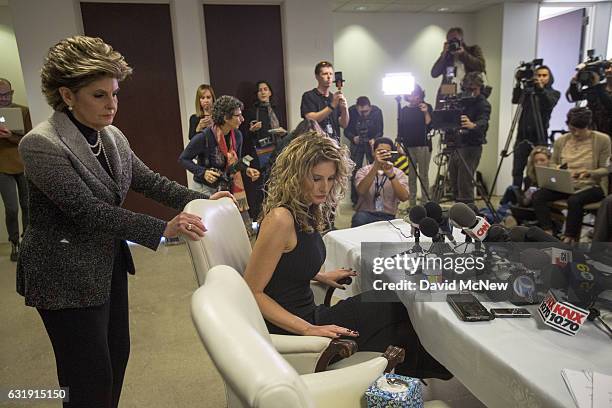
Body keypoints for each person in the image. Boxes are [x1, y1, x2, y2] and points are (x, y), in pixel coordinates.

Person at [17, 36, 233, 408]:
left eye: (115, 94)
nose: (112, 104)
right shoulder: (41, 144)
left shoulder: (112, 136)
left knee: (116, 360)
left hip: (106, 263)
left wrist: (200, 198)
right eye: (99, 95)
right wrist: (161, 228)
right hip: (63, 272)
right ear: (67, 96)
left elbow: (148, 181)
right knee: (86, 376)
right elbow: (85, 209)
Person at [243, 132, 450, 379]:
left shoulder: (306, 208)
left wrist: (319, 275)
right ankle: (427, 372)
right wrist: (309, 329)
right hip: (296, 328)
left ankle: (415, 375)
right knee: (398, 306)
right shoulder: (280, 218)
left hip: (310, 315)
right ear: (295, 177)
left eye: (331, 178)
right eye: (316, 178)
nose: (324, 187)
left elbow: (286, 262)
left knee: (400, 301)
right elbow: (252, 292)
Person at [532, 107, 610, 243]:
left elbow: (607, 168)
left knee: (575, 201)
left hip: (591, 186)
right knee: (538, 196)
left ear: (588, 126)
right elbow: (552, 163)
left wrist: (589, 173)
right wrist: (559, 170)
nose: (576, 133)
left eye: (580, 130)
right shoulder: (561, 141)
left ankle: (569, 238)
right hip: (566, 184)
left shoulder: (602, 140)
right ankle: (548, 231)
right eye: (572, 129)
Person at [179, 95, 260, 221]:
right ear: (225, 117)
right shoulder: (204, 137)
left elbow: (234, 163)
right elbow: (183, 159)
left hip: (225, 186)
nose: (242, 119)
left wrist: (246, 169)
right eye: (237, 116)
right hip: (204, 189)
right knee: (210, 227)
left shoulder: (237, 136)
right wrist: (203, 172)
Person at [511, 66, 560, 187]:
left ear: (550, 78)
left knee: (536, 170)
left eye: (544, 75)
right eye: (538, 75)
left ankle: (532, 195)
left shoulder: (553, 93)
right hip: (522, 135)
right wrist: (518, 84)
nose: (541, 78)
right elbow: (515, 100)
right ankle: (515, 195)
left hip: (539, 135)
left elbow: (548, 104)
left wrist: (540, 89)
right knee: (517, 170)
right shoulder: (527, 92)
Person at [243, 81, 286, 220]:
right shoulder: (251, 112)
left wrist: (283, 133)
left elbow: (285, 132)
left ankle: (276, 218)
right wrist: (251, 130)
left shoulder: (277, 110)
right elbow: (243, 137)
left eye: (265, 89)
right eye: (260, 90)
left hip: (277, 154)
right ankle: (258, 220)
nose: (262, 92)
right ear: (257, 94)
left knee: (277, 187)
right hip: (258, 156)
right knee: (259, 190)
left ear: (270, 92)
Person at [0, 77, 32, 261]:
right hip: (3, 167)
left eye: (6, 94)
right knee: (11, 208)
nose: (3, 99)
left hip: (23, 165)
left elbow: (29, 140)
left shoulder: (23, 111)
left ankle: (27, 242)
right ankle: (14, 242)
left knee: (27, 205)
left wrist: (11, 136)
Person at [448, 72, 491, 204]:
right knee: (454, 180)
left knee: (465, 182)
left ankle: (468, 214)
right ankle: (458, 210)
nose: (471, 92)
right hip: (457, 144)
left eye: (474, 89)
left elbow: (484, 121)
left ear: (480, 88)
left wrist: (473, 125)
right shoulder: (460, 100)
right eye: (467, 89)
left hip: (472, 146)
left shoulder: (483, 103)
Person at [352, 137, 409, 227]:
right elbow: (361, 191)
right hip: (366, 213)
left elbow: (404, 197)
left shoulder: (398, 173)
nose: (383, 154)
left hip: (388, 216)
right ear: (373, 152)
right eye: (380, 151)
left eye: (387, 152)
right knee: (359, 219)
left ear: (391, 153)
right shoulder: (363, 171)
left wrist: (391, 175)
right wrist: (375, 167)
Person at [397, 85, 433, 206]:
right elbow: (400, 128)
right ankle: (412, 203)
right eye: (412, 94)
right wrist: (399, 143)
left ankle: (425, 202)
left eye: (417, 94)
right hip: (409, 145)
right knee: (411, 175)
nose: (415, 97)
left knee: (423, 175)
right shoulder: (404, 110)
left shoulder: (426, 107)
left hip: (423, 145)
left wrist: (426, 112)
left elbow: (429, 125)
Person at [344, 96, 384, 205]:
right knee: (354, 171)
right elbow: (346, 130)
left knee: (374, 169)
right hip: (357, 144)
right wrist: (353, 138)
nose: (363, 114)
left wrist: (374, 140)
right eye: (361, 112)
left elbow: (380, 131)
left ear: (370, 108)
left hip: (371, 144)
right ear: (357, 108)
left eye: (366, 111)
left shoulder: (377, 112)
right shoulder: (351, 111)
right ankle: (356, 200)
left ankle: (375, 198)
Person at [431, 27, 486, 104]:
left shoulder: (473, 50)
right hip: (449, 96)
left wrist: (463, 54)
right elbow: (434, 73)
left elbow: (481, 66)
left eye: (455, 40)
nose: (453, 43)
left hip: (469, 95)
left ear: (462, 40)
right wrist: (443, 55)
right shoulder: (447, 56)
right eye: (450, 41)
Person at [300, 61, 349, 142]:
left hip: (334, 145)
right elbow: (311, 119)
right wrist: (332, 106)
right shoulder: (309, 96)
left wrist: (345, 109)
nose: (329, 77)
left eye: (331, 74)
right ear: (317, 76)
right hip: (316, 145)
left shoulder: (334, 97)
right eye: (325, 74)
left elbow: (344, 124)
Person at [566, 59, 612, 137]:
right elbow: (575, 97)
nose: (609, 70)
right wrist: (574, 82)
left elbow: (609, 105)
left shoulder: (598, 88)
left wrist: (596, 85)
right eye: (607, 67)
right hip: (594, 130)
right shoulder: (599, 87)